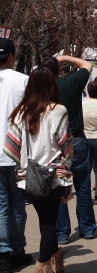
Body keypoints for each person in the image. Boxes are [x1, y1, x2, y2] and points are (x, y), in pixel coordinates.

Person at [3, 67, 73, 272]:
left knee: (45, 220)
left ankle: (54, 264)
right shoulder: (58, 110)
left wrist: (24, 165)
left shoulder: (20, 113)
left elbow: (10, 148)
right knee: (49, 223)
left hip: (28, 179)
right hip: (53, 177)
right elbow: (65, 145)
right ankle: (43, 264)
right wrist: (66, 167)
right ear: (51, 85)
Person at [42, 55, 96, 244]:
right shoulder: (71, 84)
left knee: (58, 189)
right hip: (77, 140)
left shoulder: (40, 90)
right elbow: (86, 65)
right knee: (82, 187)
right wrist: (65, 57)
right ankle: (87, 228)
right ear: (58, 69)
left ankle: (62, 233)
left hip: (53, 144)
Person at [0, 38, 32, 272]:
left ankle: (3, 252)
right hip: (18, 153)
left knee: (1, 206)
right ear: (11, 56)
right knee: (18, 205)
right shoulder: (24, 81)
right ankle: (18, 250)